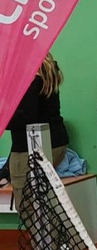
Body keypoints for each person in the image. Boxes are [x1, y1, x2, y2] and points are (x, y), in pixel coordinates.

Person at [5, 54, 69, 208]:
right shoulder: (46, 72)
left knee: (27, 206)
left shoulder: (30, 78)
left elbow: (24, 116)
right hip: (55, 142)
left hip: (31, 146)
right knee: (43, 200)